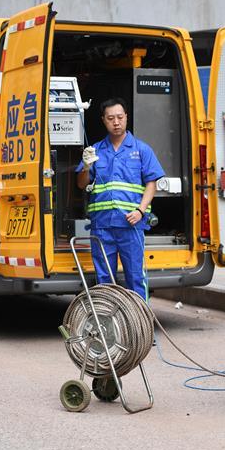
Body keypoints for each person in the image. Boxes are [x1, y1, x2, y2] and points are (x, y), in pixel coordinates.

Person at [76, 98, 165, 300]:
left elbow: (152, 183)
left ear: (126, 118)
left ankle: (140, 325)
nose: (116, 122)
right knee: (104, 279)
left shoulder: (141, 150)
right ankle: (109, 325)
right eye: (110, 118)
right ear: (103, 121)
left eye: (119, 117)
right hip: (102, 225)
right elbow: (82, 184)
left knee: (136, 277)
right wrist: (87, 165)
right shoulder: (96, 150)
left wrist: (140, 211)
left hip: (131, 224)